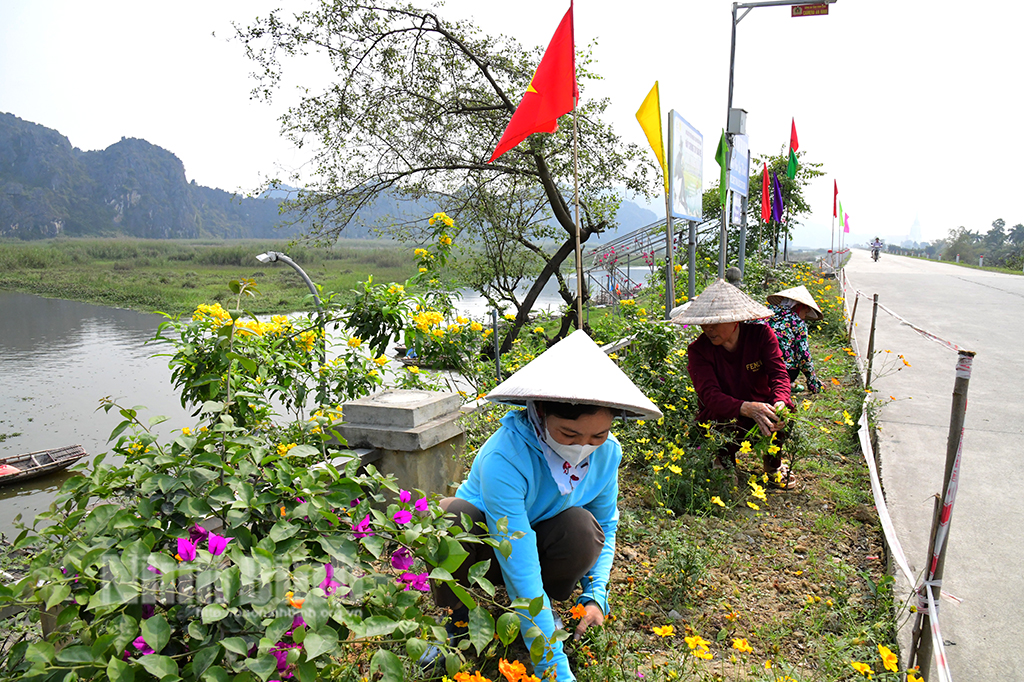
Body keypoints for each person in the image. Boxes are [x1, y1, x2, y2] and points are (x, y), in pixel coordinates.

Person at [421, 330, 662, 682]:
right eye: (569, 435)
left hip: (544, 546)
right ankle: (458, 619)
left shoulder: (607, 455)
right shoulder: (505, 457)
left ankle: (539, 610)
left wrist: (596, 597)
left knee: (583, 528)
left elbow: (606, 523)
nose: (583, 447)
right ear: (541, 411)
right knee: (450, 517)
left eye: (598, 436)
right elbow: (516, 553)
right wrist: (554, 667)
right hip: (487, 548)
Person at [671, 279, 794, 481]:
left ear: (735, 319)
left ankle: (772, 465)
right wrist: (747, 407)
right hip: (723, 414)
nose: (708, 328)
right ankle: (723, 461)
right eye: (704, 322)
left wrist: (780, 402)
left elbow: (779, 374)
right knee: (720, 423)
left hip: (761, 405)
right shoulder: (699, 350)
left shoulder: (761, 336)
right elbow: (710, 395)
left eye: (715, 322)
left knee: (782, 412)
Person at [760, 285, 823, 394]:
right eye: (806, 311)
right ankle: (786, 384)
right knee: (793, 360)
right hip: (780, 371)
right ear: (799, 306)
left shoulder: (763, 313)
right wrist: (814, 383)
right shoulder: (796, 321)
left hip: (754, 368)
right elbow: (803, 356)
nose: (805, 316)